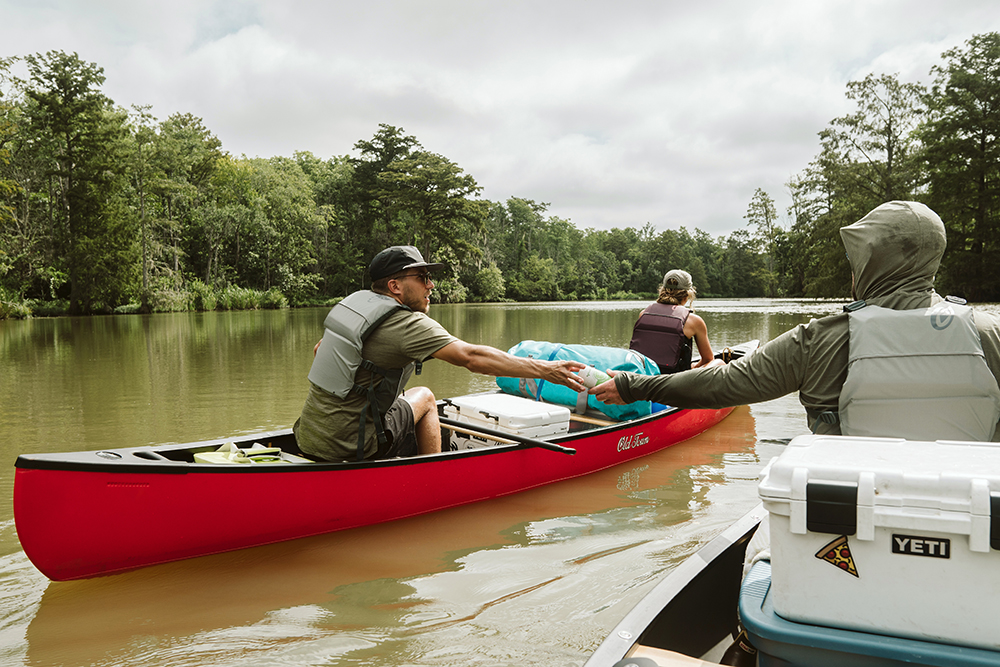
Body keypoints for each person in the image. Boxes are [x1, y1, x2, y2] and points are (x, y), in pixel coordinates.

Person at [591, 201, 1000, 442]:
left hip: (855, 519)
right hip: (973, 521)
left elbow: (722, 384)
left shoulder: (821, 340)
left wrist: (632, 385)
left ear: (870, 262)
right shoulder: (989, 334)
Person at [294, 245, 587, 462]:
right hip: (351, 448)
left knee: (399, 397)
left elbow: (321, 349)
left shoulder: (353, 309)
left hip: (307, 436)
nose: (431, 285)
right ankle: (430, 474)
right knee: (425, 397)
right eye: (421, 277)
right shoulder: (405, 322)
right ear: (395, 286)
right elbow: (471, 357)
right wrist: (545, 370)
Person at [629, 268, 724, 374]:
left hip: (645, 377)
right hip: (674, 381)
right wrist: (693, 367)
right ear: (687, 294)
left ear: (662, 290)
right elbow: (707, 359)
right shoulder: (694, 321)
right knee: (719, 363)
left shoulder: (644, 313)